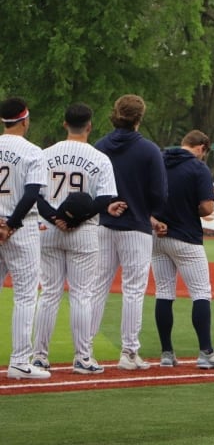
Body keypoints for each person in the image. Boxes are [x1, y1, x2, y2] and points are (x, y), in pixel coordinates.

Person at [32, 103, 121, 375]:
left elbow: (33, 193)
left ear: (64, 124)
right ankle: (83, 358)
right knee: (82, 295)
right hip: (84, 232)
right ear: (90, 126)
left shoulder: (44, 155)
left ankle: (38, 357)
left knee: (49, 294)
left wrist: (56, 218)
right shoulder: (99, 158)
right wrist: (75, 220)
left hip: (48, 229)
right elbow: (106, 199)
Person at [90, 94, 168, 371]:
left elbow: (91, 186)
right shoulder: (148, 150)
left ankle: (84, 350)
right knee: (133, 290)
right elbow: (160, 193)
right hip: (136, 225)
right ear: (139, 117)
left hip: (104, 223)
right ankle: (129, 352)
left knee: (97, 287)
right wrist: (152, 212)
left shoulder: (100, 146)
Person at [150, 130, 214, 370]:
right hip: (185, 236)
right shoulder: (198, 168)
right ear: (202, 148)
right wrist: (189, 208)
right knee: (200, 292)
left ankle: (166, 352)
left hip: (157, 234)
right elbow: (207, 208)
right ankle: (206, 351)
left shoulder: (159, 161)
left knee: (164, 292)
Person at [0, 97, 49, 380]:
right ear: (25, 120)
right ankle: (19, 361)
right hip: (22, 228)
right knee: (25, 296)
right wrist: (11, 224)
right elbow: (32, 193)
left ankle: (20, 360)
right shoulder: (32, 151)